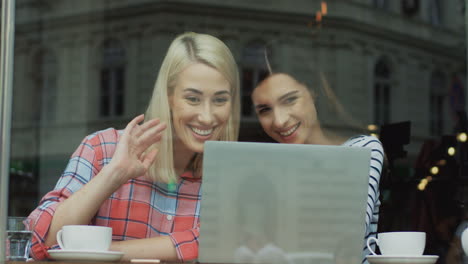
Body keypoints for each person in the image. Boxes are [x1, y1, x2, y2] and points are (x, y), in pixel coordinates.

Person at [26, 32, 240, 262]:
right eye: (193, 99)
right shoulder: (102, 149)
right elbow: (40, 241)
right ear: (169, 97)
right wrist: (114, 174)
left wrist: (100, 253)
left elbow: (218, 241)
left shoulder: (230, 177)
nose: (207, 117)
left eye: (220, 100)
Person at [251, 71, 384, 264]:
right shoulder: (268, 171)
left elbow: (347, 236)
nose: (279, 121)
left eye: (289, 100)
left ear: (312, 93)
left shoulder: (361, 149)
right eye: (264, 110)